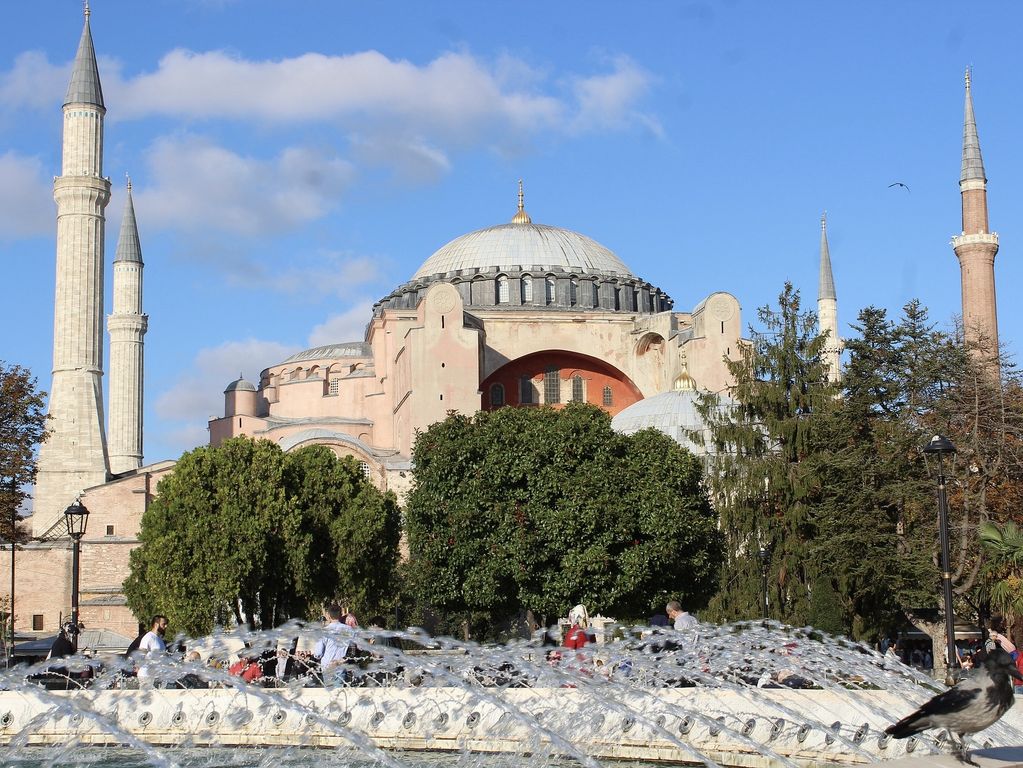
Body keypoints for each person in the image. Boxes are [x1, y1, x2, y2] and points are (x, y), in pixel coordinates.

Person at [313, 604, 354, 685]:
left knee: (330, 694)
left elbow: (318, 653)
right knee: (340, 694)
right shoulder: (349, 630)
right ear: (341, 614)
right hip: (341, 665)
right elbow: (353, 650)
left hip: (327, 666)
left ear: (328, 615)